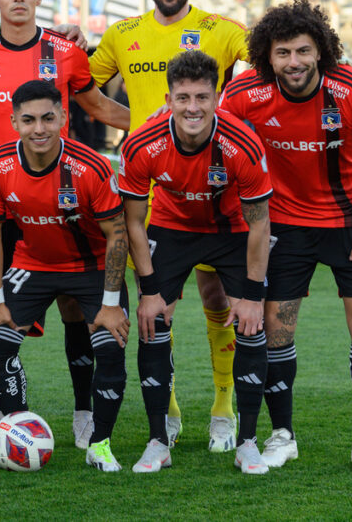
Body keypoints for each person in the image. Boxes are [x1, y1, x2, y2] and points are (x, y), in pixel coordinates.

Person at [0, 0, 130, 449]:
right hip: (3, 201)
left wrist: (159, 129)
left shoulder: (66, 51)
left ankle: (84, 412)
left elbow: (98, 107)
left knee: (74, 307)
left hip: (63, 199)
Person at [219, 0, 352, 474]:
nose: (293, 62)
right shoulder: (243, 95)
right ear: (266, 56)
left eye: (301, 50)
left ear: (320, 49)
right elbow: (225, 155)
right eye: (282, 52)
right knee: (276, 332)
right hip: (284, 229)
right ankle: (283, 435)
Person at [88, 0, 250, 451]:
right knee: (158, 308)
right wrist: (131, 121)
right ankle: (170, 408)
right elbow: (79, 86)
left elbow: (264, 69)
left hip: (216, 194)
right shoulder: (122, 34)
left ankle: (224, 405)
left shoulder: (221, 32)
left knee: (218, 299)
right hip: (151, 194)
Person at [119, 50, 273, 475]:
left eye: (202, 97)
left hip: (231, 231)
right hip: (172, 227)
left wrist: (254, 297)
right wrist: (149, 293)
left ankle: (246, 441)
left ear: (217, 97)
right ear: (168, 99)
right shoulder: (141, 143)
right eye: (183, 97)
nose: (193, 107)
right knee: (152, 321)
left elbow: (260, 225)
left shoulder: (242, 143)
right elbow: (132, 221)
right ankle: (157, 440)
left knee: (251, 324)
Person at [0, 80, 130, 472]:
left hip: (92, 265)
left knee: (110, 347)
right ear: (13, 122)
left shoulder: (91, 166)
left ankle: (100, 444)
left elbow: (117, 234)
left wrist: (111, 305)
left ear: (63, 117)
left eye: (48, 118)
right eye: (28, 120)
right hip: (34, 264)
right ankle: (17, 431)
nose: (39, 128)